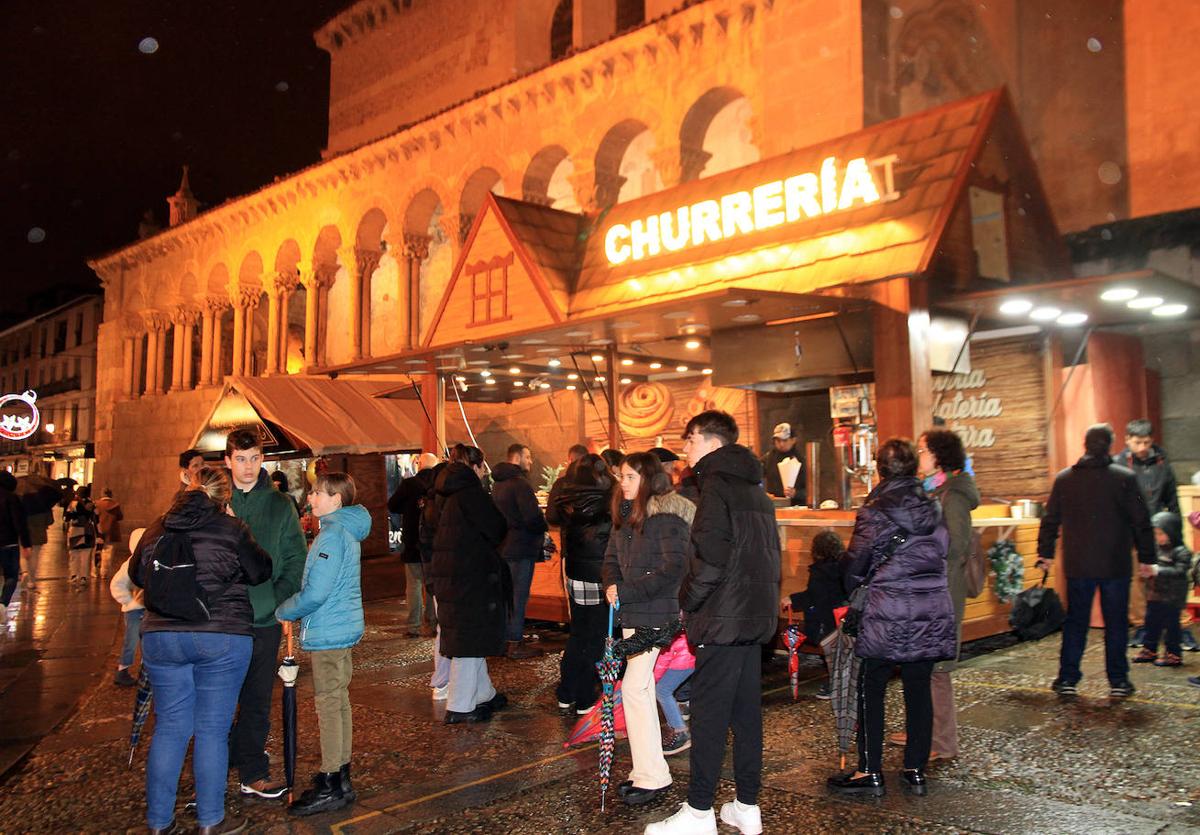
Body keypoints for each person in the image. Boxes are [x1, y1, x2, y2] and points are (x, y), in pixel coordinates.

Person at [646, 410, 779, 835]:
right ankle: (746, 806)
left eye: (689, 439)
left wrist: (687, 601)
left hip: (721, 617)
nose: (685, 448)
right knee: (745, 717)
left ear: (711, 442)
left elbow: (710, 559)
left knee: (709, 718)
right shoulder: (756, 491)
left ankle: (699, 812)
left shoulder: (716, 488)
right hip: (752, 617)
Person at [130, 465, 273, 835]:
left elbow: (135, 574)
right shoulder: (231, 529)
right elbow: (260, 571)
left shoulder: (157, 527)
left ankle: (160, 824)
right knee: (211, 730)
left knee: (170, 728)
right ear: (224, 497)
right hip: (220, 635)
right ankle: (211, 820)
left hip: (161, 636)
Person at [827, 438, 955, 800]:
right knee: (918, 688)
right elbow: (943, 550)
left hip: (887, 609)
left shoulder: (875, 508)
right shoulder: (934, 506)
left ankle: (870, 769)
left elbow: (856, 563)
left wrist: (849, 581)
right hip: (930, 608)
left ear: (880, 469)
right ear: (914, 468)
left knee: (871, 686)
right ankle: (915, 770)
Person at [1037, 423, 1155, 698]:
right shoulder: (1125, 477)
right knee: (1116, 623)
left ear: (1085, 444)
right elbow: (1142, 521)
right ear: (1111, 445)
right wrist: (1147, 557)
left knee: (1076, 621)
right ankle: (1118, 680)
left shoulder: (1065, 479)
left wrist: (1046, 553)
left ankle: (1067, 678)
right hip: (1116, 563)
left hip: (1078, 564)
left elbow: (1050, 519)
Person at [603, 451, 693, 806]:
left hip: (657, 612)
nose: (623, 483)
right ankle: (646, 771)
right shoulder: (624, 516)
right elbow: (610, 558)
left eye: (630, 477)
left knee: (635, 688)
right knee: (636, 690)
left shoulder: (665, 516)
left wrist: (627, 590)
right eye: (621, 477)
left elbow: (674, 570)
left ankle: (652, 775)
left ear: (646, 479)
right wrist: (612, 584)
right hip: (632, 612)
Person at [277, 472, 370, 816]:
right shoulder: (343, 531)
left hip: (329, 631)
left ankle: (332, 779)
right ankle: (339, 776)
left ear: (337, 499)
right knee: (338, 701)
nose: (311, 499)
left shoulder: (332, 536)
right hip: (340, 627)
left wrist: (285, 609)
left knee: (329, 705)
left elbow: (316, 592)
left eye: (318, 493)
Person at [224, 428, 307, 800]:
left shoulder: (279, 505)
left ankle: (253, 770)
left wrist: (277, 597)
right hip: (219, 619)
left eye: (254, 458)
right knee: (219, 698)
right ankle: (219, 763)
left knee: (257, 697)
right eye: (240, 459)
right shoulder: (213, 500)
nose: (247, 467)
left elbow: (294, 556)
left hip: (262, 617)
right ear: (228, 461)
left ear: (263, 460)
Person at [897, 429, 980, 760]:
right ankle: (921, 729)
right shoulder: (936, 490)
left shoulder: (953, 495)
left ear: (939, 455)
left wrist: (924, 556)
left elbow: (957, 545)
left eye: (923, 451)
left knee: (937, 669)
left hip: (943, 590)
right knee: (922, 664)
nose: (919, 456)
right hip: (932, 587)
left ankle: (943, 743)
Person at [428, 444, 510, 724]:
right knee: (469, 638)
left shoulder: (441, 491)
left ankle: (483, 693)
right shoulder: (470, 493)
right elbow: (497, 527)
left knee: (466, 634)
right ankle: (461, 706)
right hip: (469, 574)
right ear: (475, 467)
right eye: (482, 468)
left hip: (448, 573)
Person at [548, 453, 614, 714]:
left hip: (575, 572)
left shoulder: (565, 497)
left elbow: (552, 518)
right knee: (597, 637)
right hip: (602, 575)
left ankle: (567, 692)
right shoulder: (610, 495)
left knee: (577, 634)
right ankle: (587, 697)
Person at [491, 442, 548, 658]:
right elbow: (532, 517)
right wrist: (542, 526)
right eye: (528, 457)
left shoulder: (498, 484)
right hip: (521, 547)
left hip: (504, 546)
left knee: (507, 596)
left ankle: (506, 639)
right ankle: (515, 641)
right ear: (517, 458)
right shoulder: (519, 484)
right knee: (519, 596)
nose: (531, 461)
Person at [781, 529, 848, 700]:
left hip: (825, 622)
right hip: (842, 618)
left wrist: (792, 599)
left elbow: (814, 596)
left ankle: (835, 687)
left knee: (831, 657)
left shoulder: (820, 572)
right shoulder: (845, 567)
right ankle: (841, 685)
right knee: (842, 656)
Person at [1130, 512, 1192, 668]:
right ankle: (1150, 649)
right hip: (1155, 594)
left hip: (1172, 597)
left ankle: (1173, 654)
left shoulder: (1181, 551)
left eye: (1161, 533)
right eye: (1155, 533)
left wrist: (1157, 570)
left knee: (1172, 626)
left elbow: (1180, 571)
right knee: (1151, 623)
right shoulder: (1157, 550)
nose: (1158, 537)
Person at [388, 452, 439, 638]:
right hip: (432, 545)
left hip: (412, 542)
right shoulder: (438, 485)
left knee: (414, 586)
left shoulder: (409, 484)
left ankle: (414, 626)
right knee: (432, 585)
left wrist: (409, 509)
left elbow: (392, 505)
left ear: (419, 464)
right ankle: (433, 623)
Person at [419, 459, 452, 699]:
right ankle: (442, 681)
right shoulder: (442, 508)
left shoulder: (429, 507)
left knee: (444, 628)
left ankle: (442, 681)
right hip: (445, 577)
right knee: (448, 629)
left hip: (435, 576)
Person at [1114, 419, 1180, 515]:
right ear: (1127, 440)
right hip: (1130, 524)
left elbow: (1172, 498)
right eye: (1137, 443)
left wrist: (1175, 525)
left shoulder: (1162, 463)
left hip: (1156, 521)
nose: (1142, 448)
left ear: (1152, 440)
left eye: (1146, 442)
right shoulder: (1119, 465)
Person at [109, 528, 147, 687]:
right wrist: (129, 602)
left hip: (146, 609)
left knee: (147, 642)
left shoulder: (147, 562)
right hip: (134, 611)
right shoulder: (129, 565)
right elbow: (116, 585)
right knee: (131, 642)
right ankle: (122, 670)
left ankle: (145, 671)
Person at [654, 631, 696, 755]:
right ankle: (684, 707)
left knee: (662, 690)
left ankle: (680, 731)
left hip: (681, 661)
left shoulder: (665, 632)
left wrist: (653, 679)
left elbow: (663, 658)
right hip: (688, 655)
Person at [0, 471, 31, 630]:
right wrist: (26, 544)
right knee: (11, 577)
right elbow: (20, 523)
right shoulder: (12, 499)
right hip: (9, 544)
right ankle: (2, 604)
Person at [760, 422, 806, 506]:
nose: (781, 444)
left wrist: (796, 493)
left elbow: (810, 491)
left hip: (796, 506)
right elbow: (756, 475)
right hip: (773, 505)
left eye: (785, 440)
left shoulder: (801, 460)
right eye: (778, 440)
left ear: (793, 440)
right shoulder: (769, 458)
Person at [65, 485, 98, 586]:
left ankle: (74, 575)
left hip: (76, 530)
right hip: (88, 530)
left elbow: (67, 517)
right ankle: (84, 577)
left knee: (74, 555)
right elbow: (95, 517)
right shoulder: (91, 504)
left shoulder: (73, 504)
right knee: (85, 555)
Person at [95, 487, 124, 570]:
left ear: (103, 494)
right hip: (112, 531)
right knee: (109, 551)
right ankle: (105, 571)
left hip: (99, 530)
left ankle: (96, 569)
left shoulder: (97, 504)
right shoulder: (115, 505)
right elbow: (120, 517)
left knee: (97, 550)